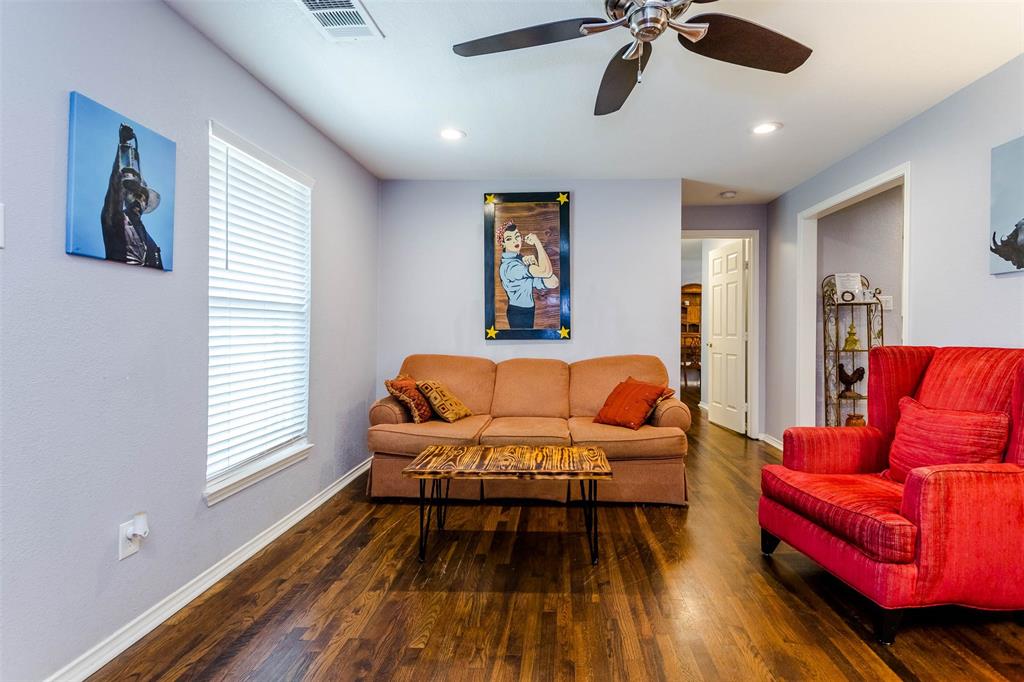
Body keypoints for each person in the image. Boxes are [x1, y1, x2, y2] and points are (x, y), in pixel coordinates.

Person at [101, 124, 164, 269]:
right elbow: (115, 190)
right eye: (134, 194)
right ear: (126, 197)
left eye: (143, 197)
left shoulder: (152, 243)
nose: (138, 200)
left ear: (146, 204)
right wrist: (123, 147)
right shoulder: (115, 219)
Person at [497, 220, 559, 328]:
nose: (515, 241)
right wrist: (537, 243)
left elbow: (553, 282)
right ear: (503, 243)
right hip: (518, 312)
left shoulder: (521, 260)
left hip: (528, 310)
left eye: (517, 236)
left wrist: (536, 266)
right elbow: (546, 271)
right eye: (509, 239)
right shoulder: (510, 267)